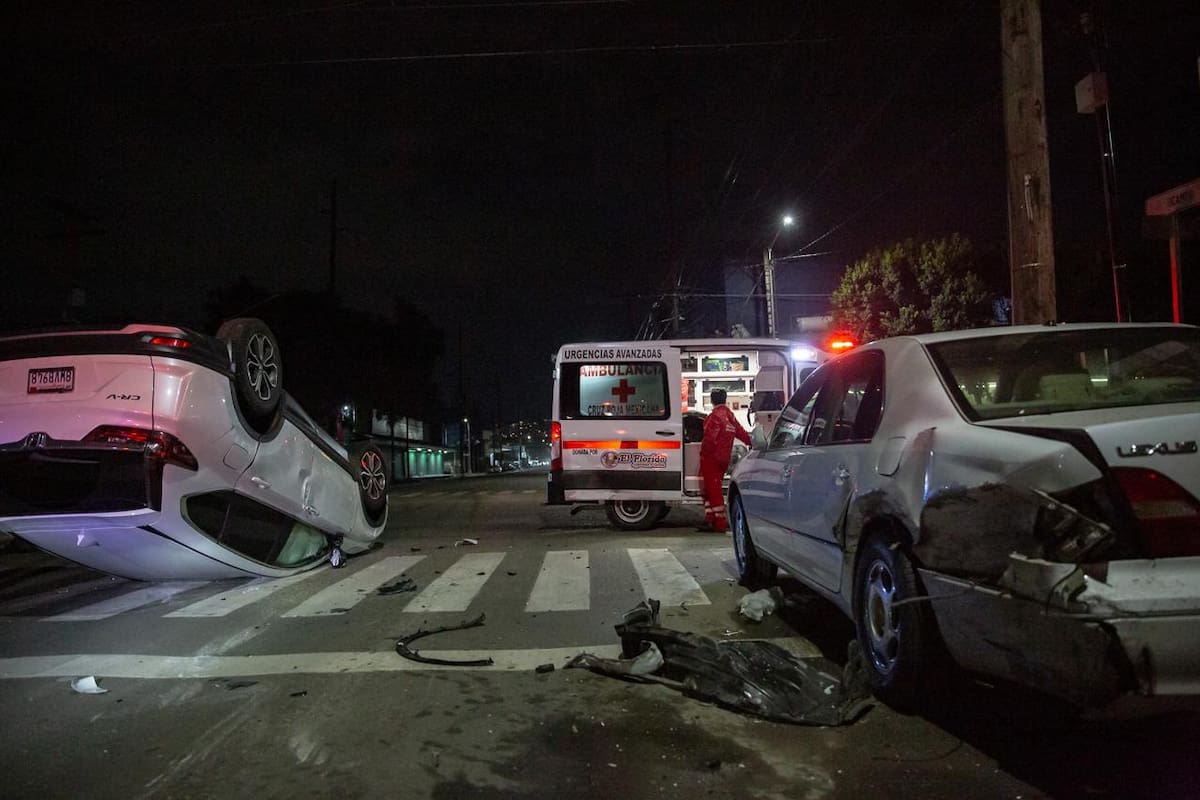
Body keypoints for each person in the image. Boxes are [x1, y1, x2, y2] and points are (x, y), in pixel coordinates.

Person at [697, 388, 752, 533]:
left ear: (712, 400)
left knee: (712, 490)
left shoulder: (714, 417)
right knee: (710, 488)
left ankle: (720, 522)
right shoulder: (730, 416)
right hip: (723, 459)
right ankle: (709, 518)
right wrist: (752, 442)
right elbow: (741, 432)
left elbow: (709, 438)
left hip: (711, 459)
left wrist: (703, 454)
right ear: (725, 399)